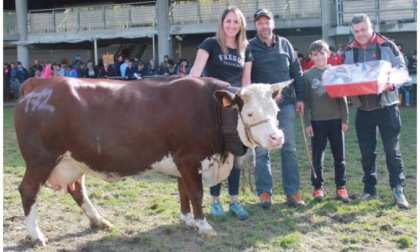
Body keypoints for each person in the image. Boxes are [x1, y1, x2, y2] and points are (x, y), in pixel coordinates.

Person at [189, 6, 251, 220]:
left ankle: (234, 201)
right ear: (222, 23)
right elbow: (195, 75)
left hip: (235, 108)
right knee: (218, 155)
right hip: (213, 107)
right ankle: (215, 202)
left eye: (236, 21)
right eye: (228, 21)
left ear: (241, 25)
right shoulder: (210, 44)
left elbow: (246, 82)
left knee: (235, 154)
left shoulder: (246, 48)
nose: (232, 25)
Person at [344, 14, 409, 209]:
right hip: (363, 109)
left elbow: (402, 71)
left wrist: (391, 83)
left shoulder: (387, 45)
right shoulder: (349, 49)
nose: (360, 34)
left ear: (371, 27)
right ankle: (369, 189)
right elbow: (346, 74)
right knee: (366, 153)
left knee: (392, 151)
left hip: (386, 107)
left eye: (363, 29)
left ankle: (398, 189)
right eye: (356, 31)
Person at [242, 8, 305, 208]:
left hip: (285, 106)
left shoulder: (285, 44)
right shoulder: (249, 47)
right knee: (261, 151)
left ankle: (292, 192)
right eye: (260, 23)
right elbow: (246, 77)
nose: (264, 26)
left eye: (267, 22)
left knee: (289, 149)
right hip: (262, 112)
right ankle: (264, 193)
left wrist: (301, 98)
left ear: (273, 24)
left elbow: (297, 72)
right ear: (255, 26)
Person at [303, 40, 349, 203]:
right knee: (317, 158)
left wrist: (345, 117)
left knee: (339, 156)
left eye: (322, 53)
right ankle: (318, 188)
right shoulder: (307, 75)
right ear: (311, 57)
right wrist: (307, 123)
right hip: (317, 122)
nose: (319, 57)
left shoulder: (336, 72)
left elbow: (343, 97)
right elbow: (306, 102)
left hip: (336, 120)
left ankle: (341, 187)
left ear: (329, 53)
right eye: (315, 54)